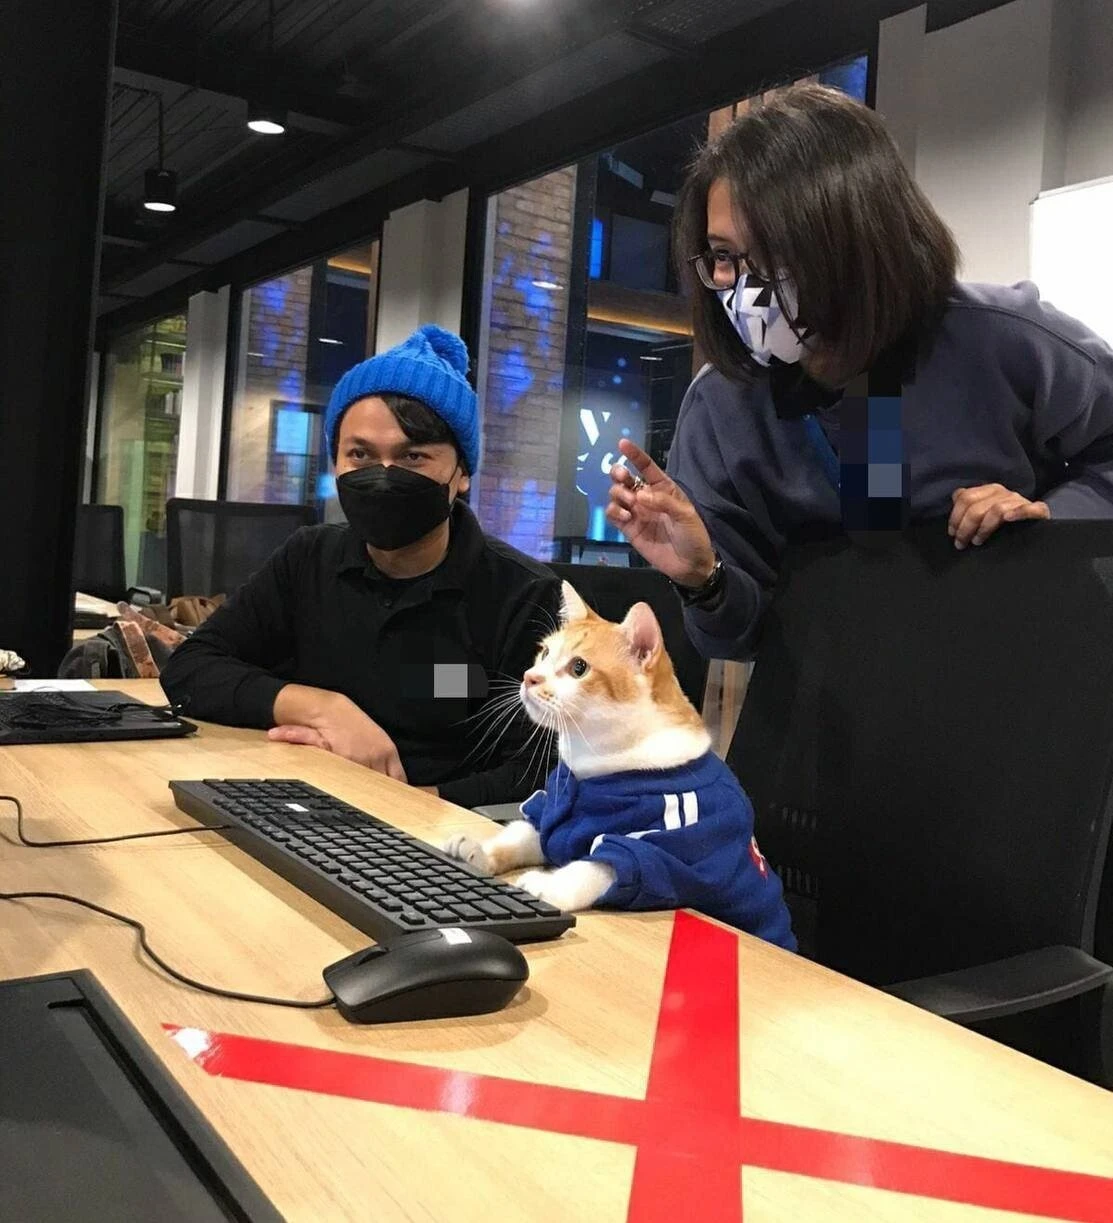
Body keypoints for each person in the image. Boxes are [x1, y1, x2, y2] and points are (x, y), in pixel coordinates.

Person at [606, 83, 1113, 661]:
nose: (747, 289)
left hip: (1017, 677)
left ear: (861, 239)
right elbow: (739, 639)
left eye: (777, 252)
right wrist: (705, 580)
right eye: (724, 257)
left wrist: (1053, 521)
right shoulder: (723, 408)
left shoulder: (1005, 340)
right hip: (842, 718)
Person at [161, 325, 560, 808]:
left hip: (438, 837)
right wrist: (323, 709)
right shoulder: (308, 558)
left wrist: (400, 803)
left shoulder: (525, 597)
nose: (384, 475)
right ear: (335, 464)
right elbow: (192, 669)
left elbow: (543, 767)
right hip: (296, 798)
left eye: (413, 456)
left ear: (462, 475)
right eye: (360, 455)